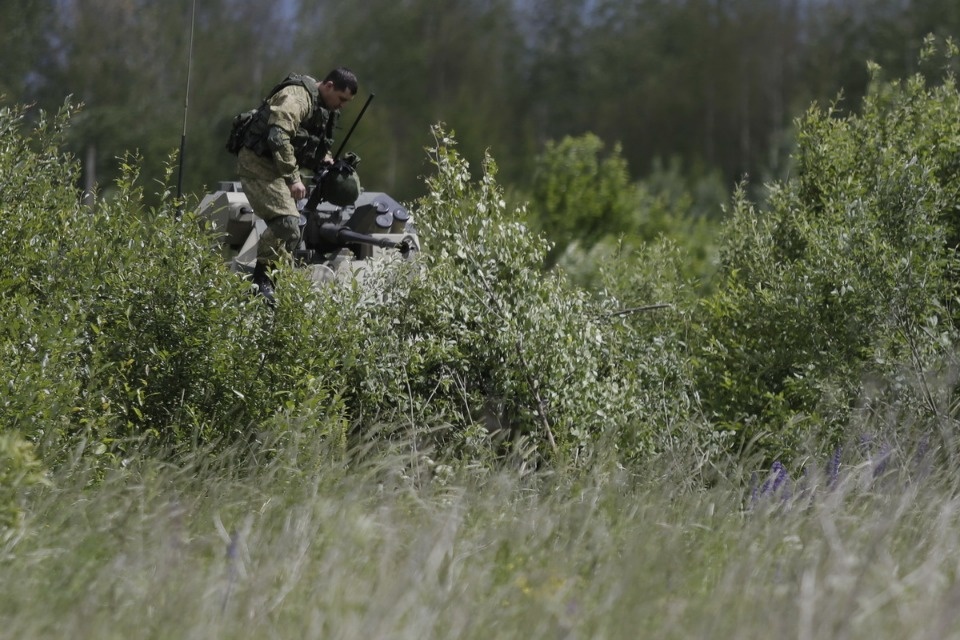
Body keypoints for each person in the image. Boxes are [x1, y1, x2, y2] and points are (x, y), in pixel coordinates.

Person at [236, 67, 359, 303]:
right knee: (288, 223)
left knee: (293, 231)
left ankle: (275, 281)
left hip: (279, 165)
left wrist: (325, 160)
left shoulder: (322, 104)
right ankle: (260, 281)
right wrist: (293, 178)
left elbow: (309, 139)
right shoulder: (296, 97)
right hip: (259, 164)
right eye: (341, 99)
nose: (342, 105)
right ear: (329, 86)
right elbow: (278, 136)